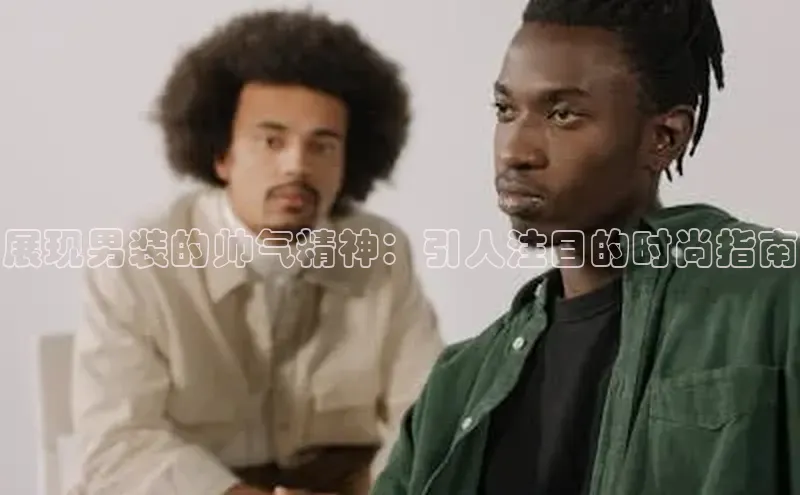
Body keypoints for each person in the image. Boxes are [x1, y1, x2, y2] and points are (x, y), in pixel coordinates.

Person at [372, 0, 800, 494]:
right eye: (506, 110)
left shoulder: (774, 297)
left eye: (562, 114)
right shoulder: (458, 385)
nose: (514, 151)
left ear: (664, 137)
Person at [69, 9, 444, 495]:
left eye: (322, 145)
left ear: (349, 161)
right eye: (271, 141)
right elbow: (117, 446)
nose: (296, 166)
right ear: (221, 154)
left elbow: (427, 417)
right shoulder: (138, 261)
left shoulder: (379, 252)